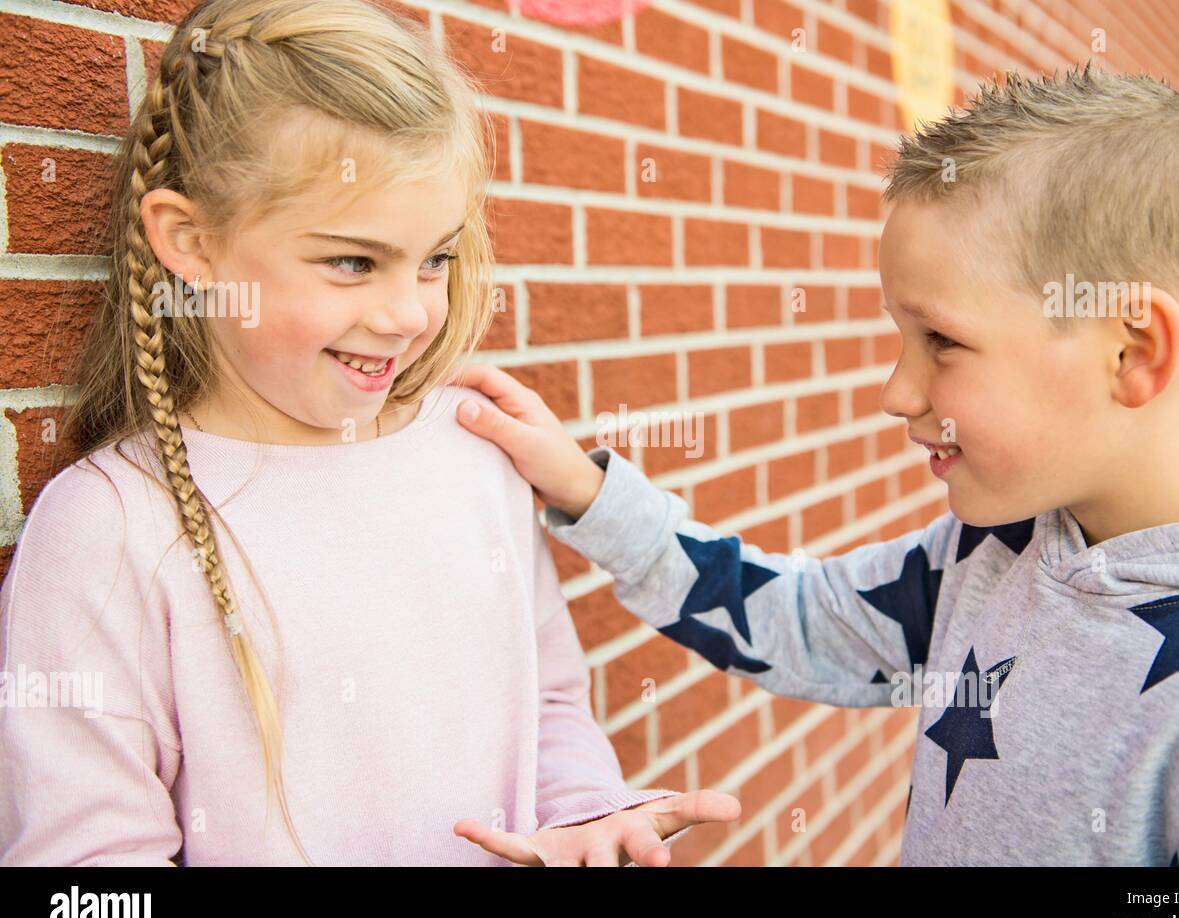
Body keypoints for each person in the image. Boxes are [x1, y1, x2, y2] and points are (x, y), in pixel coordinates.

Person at [453, 65, 1179, 865]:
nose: (898, 392)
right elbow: (793, 619)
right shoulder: (992, 550)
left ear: (1133, 352)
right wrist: (589, 493)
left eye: (941, 340)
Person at [0, 0, 737, 867]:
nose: (408, 314)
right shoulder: (108, 526)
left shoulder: (474, 456)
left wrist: (582, 815)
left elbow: (548, 707)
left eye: (435, 259)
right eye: (353, 261)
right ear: (190, 241)